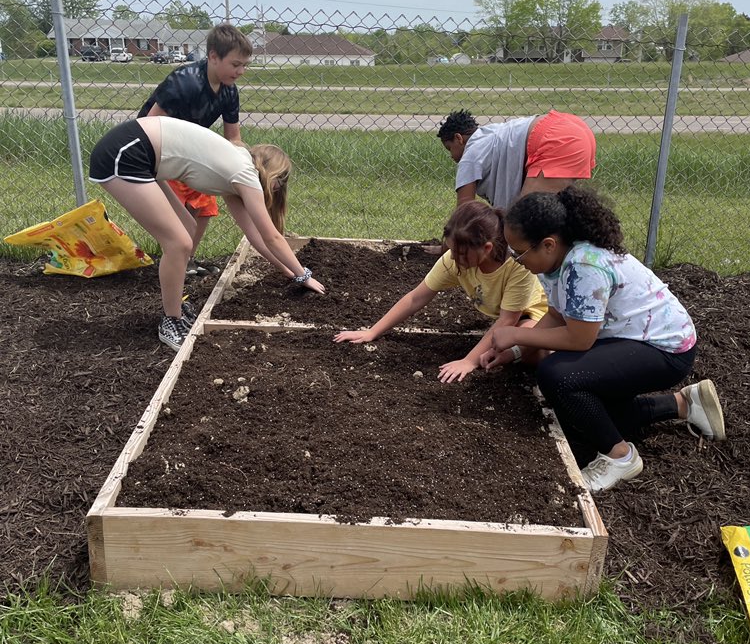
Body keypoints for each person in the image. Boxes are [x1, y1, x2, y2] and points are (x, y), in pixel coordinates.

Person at [481, 186, 725, 493]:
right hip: (634, 341)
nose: (516, 260)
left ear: (547, 244)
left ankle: (620, 458)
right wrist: (515, 351)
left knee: (558, 376)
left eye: (520, 252)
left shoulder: (584, 265)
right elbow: (557, 315)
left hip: (665, 350)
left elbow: (579, 338)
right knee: (579, 414)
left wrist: (514, 332)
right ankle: (685, 404)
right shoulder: (556, 260)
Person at [88, 117, 325, 352]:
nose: (278, 189)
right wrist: (304, 275)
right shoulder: (244, 173)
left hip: (142, 155)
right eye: (281, 183)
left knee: (188, 230)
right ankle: (171, 320)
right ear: (274, 178)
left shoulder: (236, 172)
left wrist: (287, 271)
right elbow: (272, 236)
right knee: (178, 242)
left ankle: (175, 309)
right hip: (126, 152)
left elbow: (255, 236)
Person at [333, 201, 548, 383]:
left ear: (487, 249)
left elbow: (507, 321)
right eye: (451, 249)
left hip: (534, 316)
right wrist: (372, 332)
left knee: (526, 351)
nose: (453, 257)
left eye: (459, 252)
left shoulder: (517, 267)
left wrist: (468, 361)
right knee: (499, 349)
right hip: (506, 321)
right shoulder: (455, 261)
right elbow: (417, 297)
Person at [138, 23, 253, 276]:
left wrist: (246, 163)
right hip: (158, 151)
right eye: (236, 64)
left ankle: (187, 259)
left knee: (204, 202)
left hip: (189, 150)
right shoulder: (184, 82)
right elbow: (149, 125)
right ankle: (175, 259)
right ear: (213, 56)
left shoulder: (229, 92)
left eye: (245, 65)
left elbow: (233, 137)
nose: (241, 71)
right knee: (178, 212)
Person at [437, 107, 596, 211]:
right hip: (575, 128)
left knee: (521, 223)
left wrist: (448, 248)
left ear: (459, 138)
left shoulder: (469, 156)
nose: (451, 156)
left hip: (555, 139)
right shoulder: (492, 133)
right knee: (562, 213)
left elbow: (464, 211)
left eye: (449, 149)